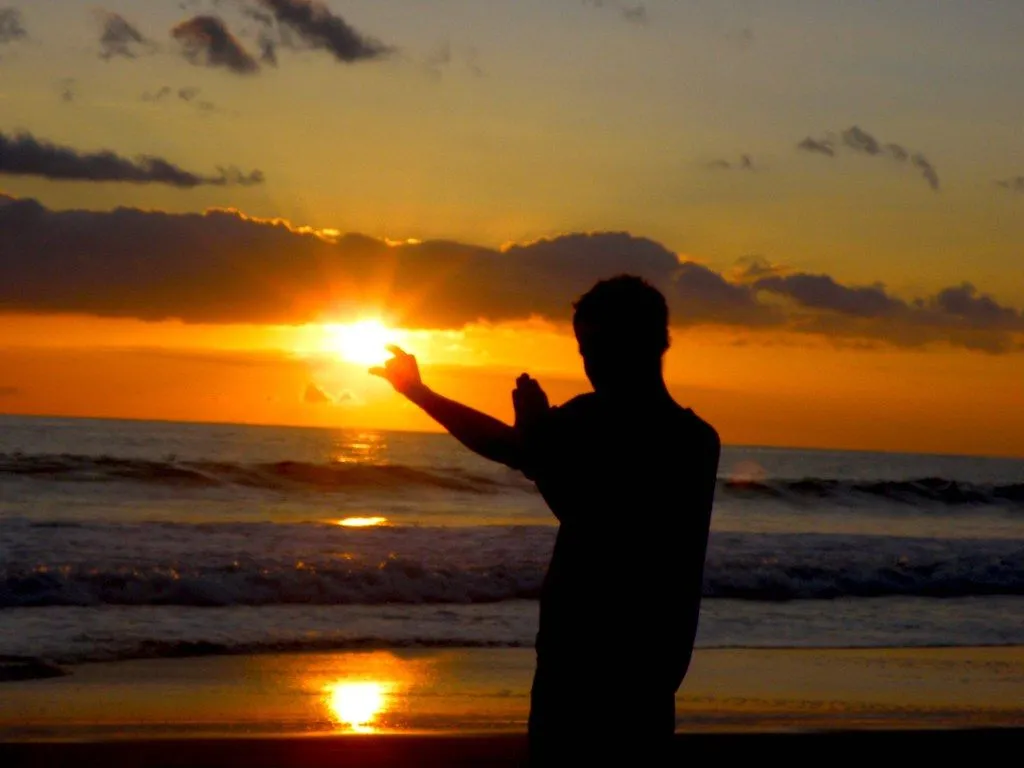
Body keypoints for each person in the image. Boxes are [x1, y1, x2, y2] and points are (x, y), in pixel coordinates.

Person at [371, 275, 720, 765]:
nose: (591, 361)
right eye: (584, 348)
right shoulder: (602, 420)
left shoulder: (688, 442)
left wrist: (535, 440)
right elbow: (511, 449)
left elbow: (598, 521)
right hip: (576, 657)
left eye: (600, 345)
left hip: (623, 668)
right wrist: (420, 393)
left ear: (651, 343)